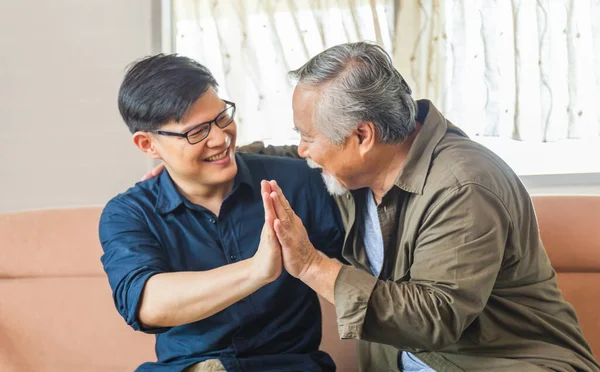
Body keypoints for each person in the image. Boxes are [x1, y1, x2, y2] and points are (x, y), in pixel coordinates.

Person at [238, 42, 600, 371]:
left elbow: (435, 318)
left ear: (362, 136)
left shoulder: (463, 185)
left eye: (307, 136)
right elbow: (278, 161)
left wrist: (311, 265)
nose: (302, 150)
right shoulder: (356, 167)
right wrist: (213, 153)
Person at [99, 54, 344, 372]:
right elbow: (147, 302)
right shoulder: (129, 213)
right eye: (197, 132)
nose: (221, 138)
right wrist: (257, 270)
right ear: (148, 144)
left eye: (222, 117)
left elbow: (369, 266)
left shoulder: (299, 182)